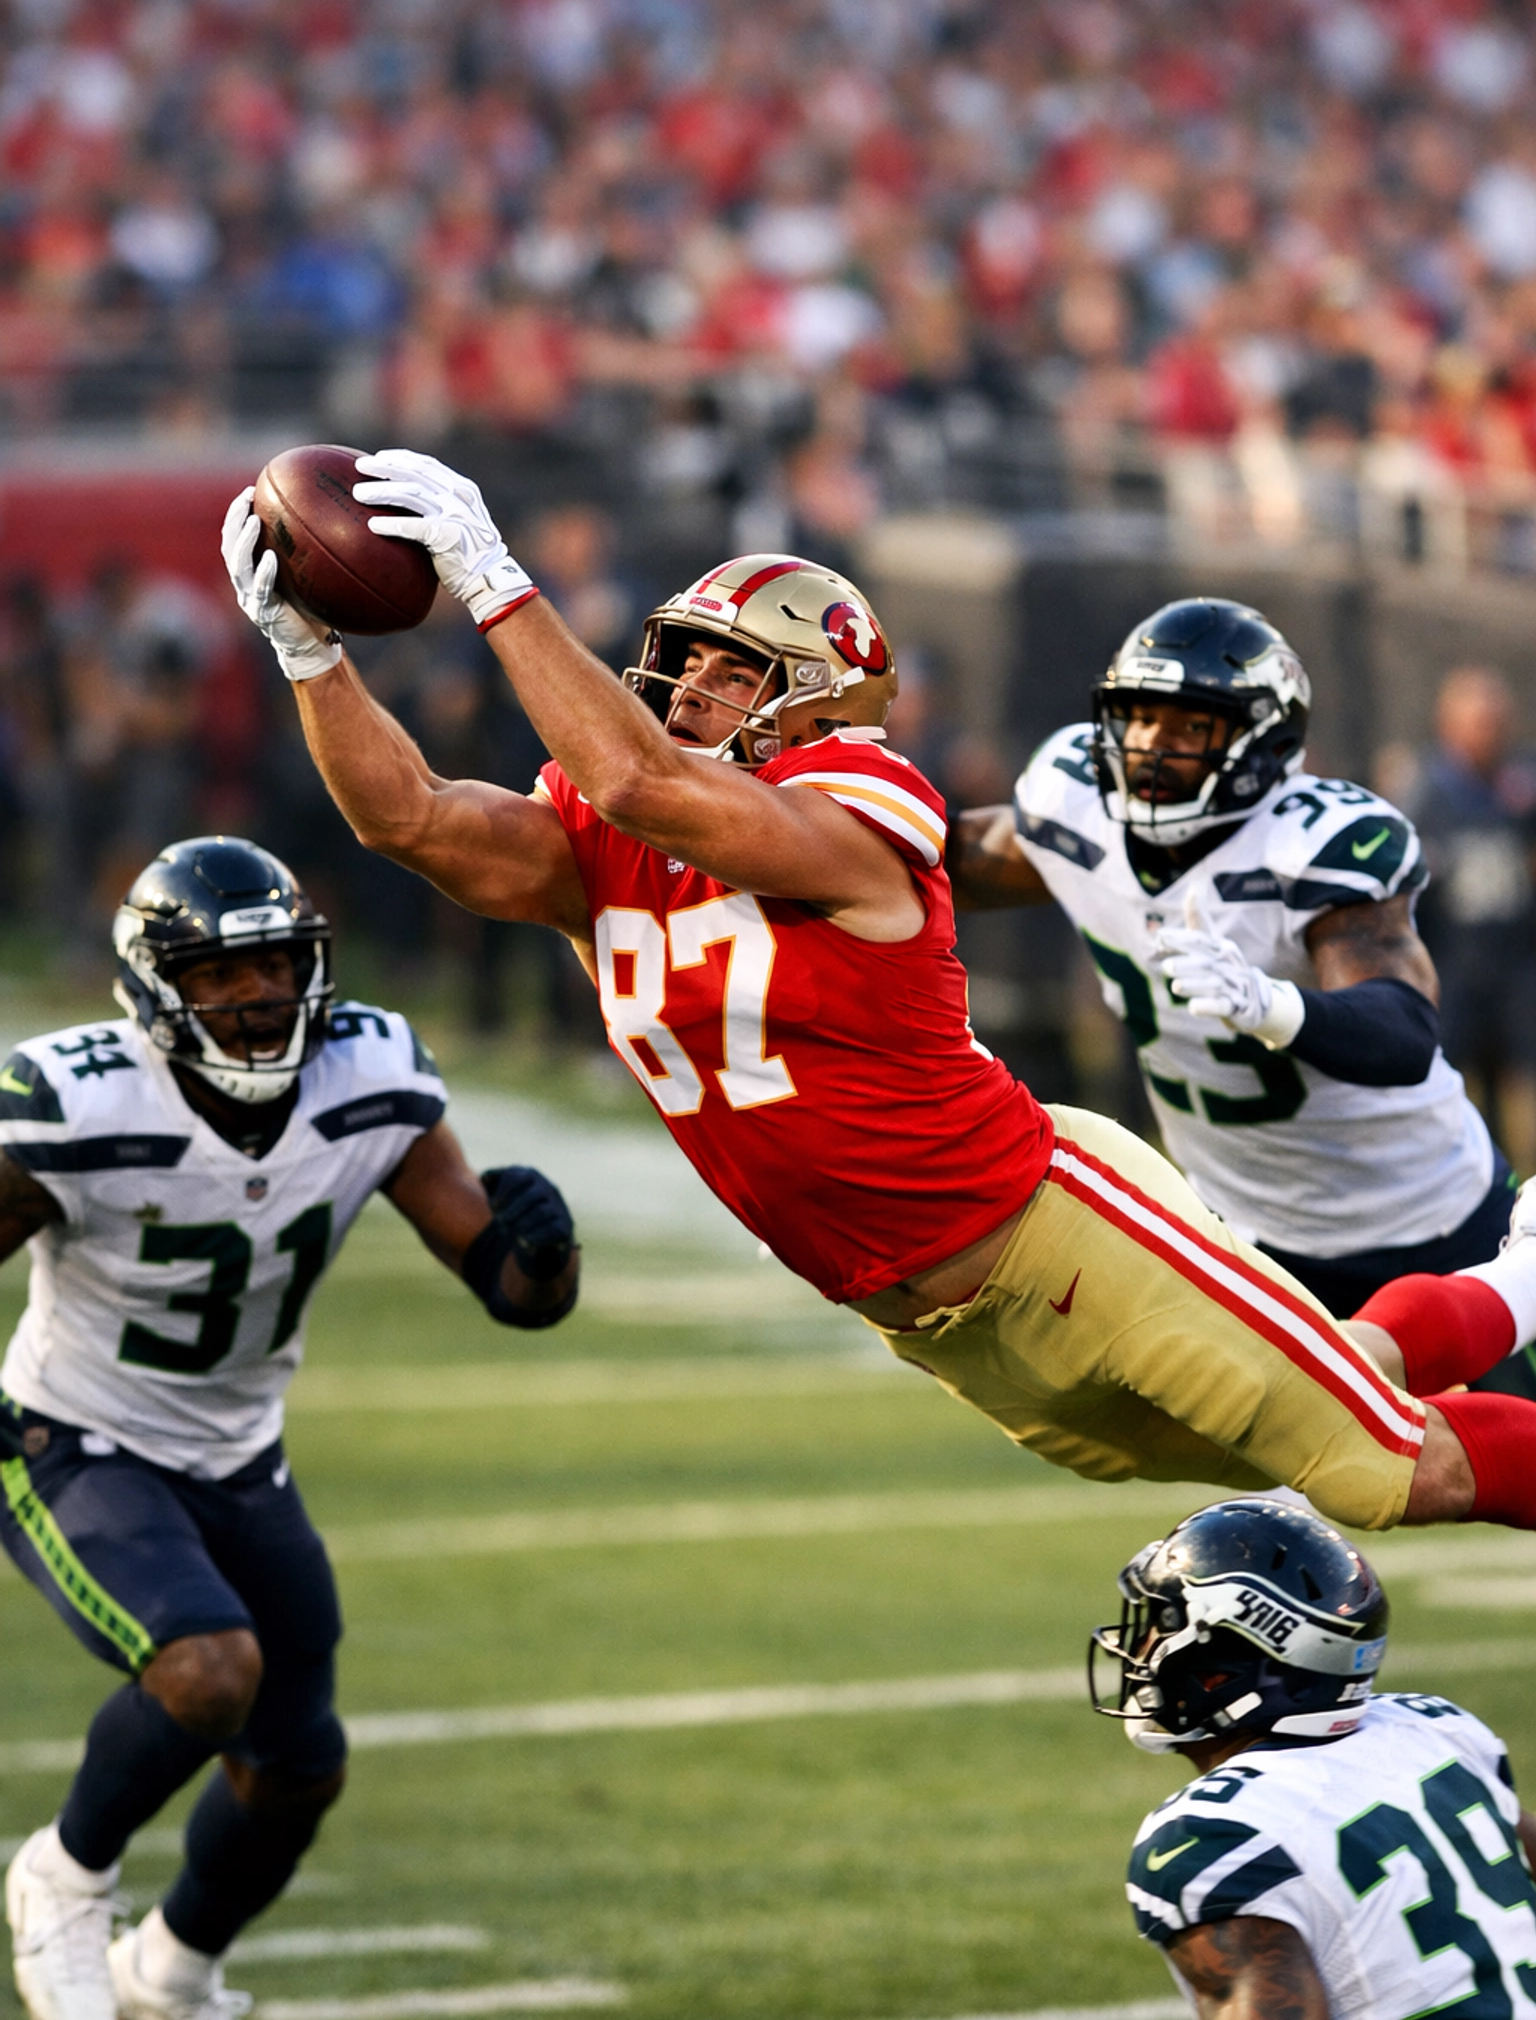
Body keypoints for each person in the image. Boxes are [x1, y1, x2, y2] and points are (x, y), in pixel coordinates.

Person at [220, 451, 1536, 1563]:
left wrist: (495, 583)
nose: (684, 688)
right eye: (677, 663)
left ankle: (1520, 1283)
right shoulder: (602, 823)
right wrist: (309, 651)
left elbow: (641, 782)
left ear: (813, 695)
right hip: (928, 1319)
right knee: (1334, 1401)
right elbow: (411, 820)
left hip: (1051, 1231)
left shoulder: (862, 792)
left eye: (729, 672)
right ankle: (1518, 1283)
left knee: (1382, 1467)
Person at [1, 835, 579, 2020]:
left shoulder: (368, 1069)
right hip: (74, 1433)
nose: (258, 996)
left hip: (238, 1450)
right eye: (221, 975)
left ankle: (179, 1971)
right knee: (210, 1671)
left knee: (300, 1763)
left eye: (274, 965)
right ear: (159, 990)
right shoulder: (77, 1098)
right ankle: (63, 1871)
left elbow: (507, 1288)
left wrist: (544, 1250)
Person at [946, 600, 1536, 1396]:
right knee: (1295, 1488)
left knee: (1516, 1454)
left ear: (1265, 741)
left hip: (1429, 1215)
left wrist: (1271, 1006)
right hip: (1248, 1242)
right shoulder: (1071, 807)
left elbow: (1403, 1033)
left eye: (1190, 728)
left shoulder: (1309, 843)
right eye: (1139, 719)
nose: (1153, 748)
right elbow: (922, 868)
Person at [967, 1498, 1536, 2020]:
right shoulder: (1435, 1732)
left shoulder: (1217, 1834)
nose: (1143, 1650)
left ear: (1229, 1658)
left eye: (1166, 1626)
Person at [1411, 664, 1536, 1178]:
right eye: (1479, 720)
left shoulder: (1520, 784)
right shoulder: (1427, 791)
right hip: (1453, 965)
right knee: (1455, 1089)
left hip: (1516, 964)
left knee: (1520, 1081)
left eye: (1497, 720)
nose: (1491, 732)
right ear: (1449, 724)